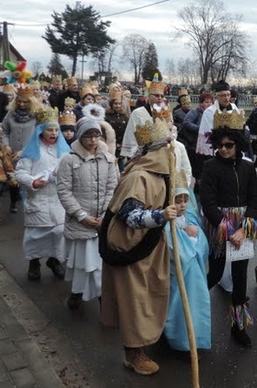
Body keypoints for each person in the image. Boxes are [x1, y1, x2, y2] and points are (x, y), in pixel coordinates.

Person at [99, 118, 177, 376]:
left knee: (149, 296)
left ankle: (140, 346)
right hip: (131, 249)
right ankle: (133, 353)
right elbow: (129, 216)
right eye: (168, 147)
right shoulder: (139, 177)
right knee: (135, 301)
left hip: (150, 247)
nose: (172, 152)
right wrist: (161, 216)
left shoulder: (159, 176)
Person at [201, 109, 257, 348]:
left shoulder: (248, 167)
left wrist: (244, 229)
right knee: (214, 273)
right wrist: (226, 228)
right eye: (220, 145)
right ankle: (191, 308)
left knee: (240, 277)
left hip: (243, 226)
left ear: (238, 144)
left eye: (229, 145)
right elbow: (208, 202)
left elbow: (255, 200)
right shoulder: (210, 167)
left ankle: (239, 324)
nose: (224, 149)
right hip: (220, 227)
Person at [57, 118, 118, 310]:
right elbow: (64, 191)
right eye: (88, 136)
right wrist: (81, 215)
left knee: (100, 265)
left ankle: (103, 298)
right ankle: (77, 292)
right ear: (80, 136)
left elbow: (112, 188)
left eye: (96, 135)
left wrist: (105, 214)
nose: (93, 140)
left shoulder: (108, 159)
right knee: (81, 262)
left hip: (101, 221)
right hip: (81, 221)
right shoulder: (69, 159)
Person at [15, 106, 71, 281]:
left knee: (60, 232)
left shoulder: (65, 150)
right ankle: (34, 262)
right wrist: (32, 182)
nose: (53, 133)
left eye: (56, 129)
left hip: (58, 198)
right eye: (49, 129)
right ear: (41, 130)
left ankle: (54, 260)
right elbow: (20, 173)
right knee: (36, 234)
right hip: (37, 198)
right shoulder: (32, 150)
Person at [163, 176, 212, 353]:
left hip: (194, 275)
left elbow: (202, 247)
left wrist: (194, 236)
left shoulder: (188, 220)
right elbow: (174, 250)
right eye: (178, 201)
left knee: (195, 306)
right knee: (178, 307)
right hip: (178, 275)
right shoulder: (167, 223)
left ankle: (195, 338)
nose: (183, 205)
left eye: (185, 200)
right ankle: (179, 340)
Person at [120, 77, 192, 186]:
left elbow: (172, 131)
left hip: (165, 155)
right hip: (145, 157)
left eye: (162, 96)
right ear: (149, 96)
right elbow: (132, 136)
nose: (160, 98)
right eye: (157, 95)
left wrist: (170, 134)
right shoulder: (138, 113)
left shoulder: (166, 112)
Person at [1, 84, 39, 213]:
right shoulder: (11, 114)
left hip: (29, 153)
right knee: (14, 179)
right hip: (12, 151)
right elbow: (5, 131)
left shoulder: (36, 115)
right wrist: (6, 144)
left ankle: (28, 204)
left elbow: (38, 136)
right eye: (20, 101)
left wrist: (24, 151)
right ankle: (13, 201)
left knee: (27, 180)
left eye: (26, 102)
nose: (22, 104)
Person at [179, 92, 213, 186]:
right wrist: (201, 128)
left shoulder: (212, 113)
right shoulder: (195, 112)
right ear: (201, 103)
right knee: (198, 169)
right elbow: (186, 122)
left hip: (208, 145)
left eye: (211, 102)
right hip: (195, 145)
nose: (209, 104)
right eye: (206, 102)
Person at [104, 88, 129, 168]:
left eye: (119, 104)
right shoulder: (107, 116)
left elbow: (127, 130)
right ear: (111, 104)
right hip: (110, 145)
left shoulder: (124, 116)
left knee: (120, 166)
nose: (118, 106)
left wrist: (123, 143)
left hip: (121, 147)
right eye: (115, 104)